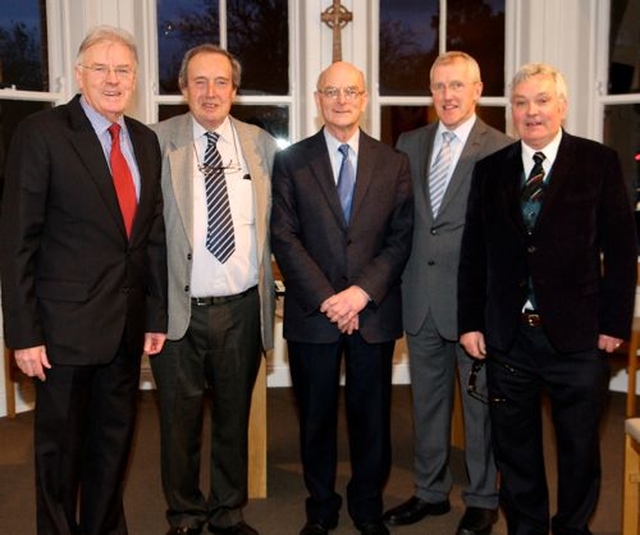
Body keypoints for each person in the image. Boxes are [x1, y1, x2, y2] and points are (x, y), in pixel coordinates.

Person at [0, 25, 167, 535]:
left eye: (122, 70)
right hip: (62, 334)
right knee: (60, 456)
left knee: (112, 449)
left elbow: (150, 235)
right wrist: (24, 334)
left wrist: (155, 314)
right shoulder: (42, 133)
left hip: (125, 329)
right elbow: (17, 241)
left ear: (135, 78)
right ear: (79, 74)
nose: (112, 80)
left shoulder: (145, 140)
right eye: (101, 68)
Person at [458, 62, 637, 535]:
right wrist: (470, 321)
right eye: (521, 103)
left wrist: (615, 323)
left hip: (579, 337)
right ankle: (527, 528)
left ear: (562, 105)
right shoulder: (490, 170)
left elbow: (621, 250)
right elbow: (474, 252)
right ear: (511, 110)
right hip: (508, 335)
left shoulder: (598, 162)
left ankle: (573, 528)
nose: (531, 112)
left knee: (579, 447)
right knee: (514, 448)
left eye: (541, 101)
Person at [271, 61, 414, 535]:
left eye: (350, 90)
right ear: (317, 99)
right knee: (315, 419)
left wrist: (358, 294)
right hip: (314, 313)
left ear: (365, 98)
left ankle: (367, 506)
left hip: (372, 311)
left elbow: (400, 239)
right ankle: (322, 506)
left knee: (371, 417)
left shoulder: (393, 162)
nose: (341, 99)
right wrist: (331, 299)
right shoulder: (291, 161)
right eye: (331, 91)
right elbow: (284, 237)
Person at [149, 44, 278, 535]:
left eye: (220, 82)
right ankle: (184, 513)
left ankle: (228, 511)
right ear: (183, 89)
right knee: (178, 426)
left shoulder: (259, 144)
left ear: (234, 90)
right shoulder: (157, 142)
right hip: (180, 311)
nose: (210, 92)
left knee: (233, 419)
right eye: (199, 82)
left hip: (242, 310)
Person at [382, 51, 511, 535]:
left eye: (458, 86)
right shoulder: (408, 143)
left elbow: (505, 238)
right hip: (419, 299)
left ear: (478, 90)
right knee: (426, 404)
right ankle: (430, 492)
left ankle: (482, 497)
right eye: (439, 87)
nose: (447, 96)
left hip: (473, 306)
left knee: (480, 408)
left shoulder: (501, 148)